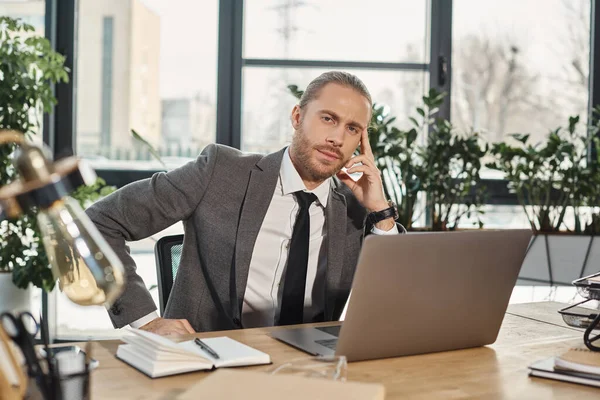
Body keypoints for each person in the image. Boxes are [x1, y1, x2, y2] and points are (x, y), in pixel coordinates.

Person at [86, 71, 405, 336]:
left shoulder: (354, 209)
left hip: (308, 371)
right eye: (328, 119)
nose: (338, 138)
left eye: (352, 129)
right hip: (208, 362)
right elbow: (99, 222)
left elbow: (399, 303)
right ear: (297, 117)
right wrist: (146, 321)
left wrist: (381, 212)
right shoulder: (220, 172)